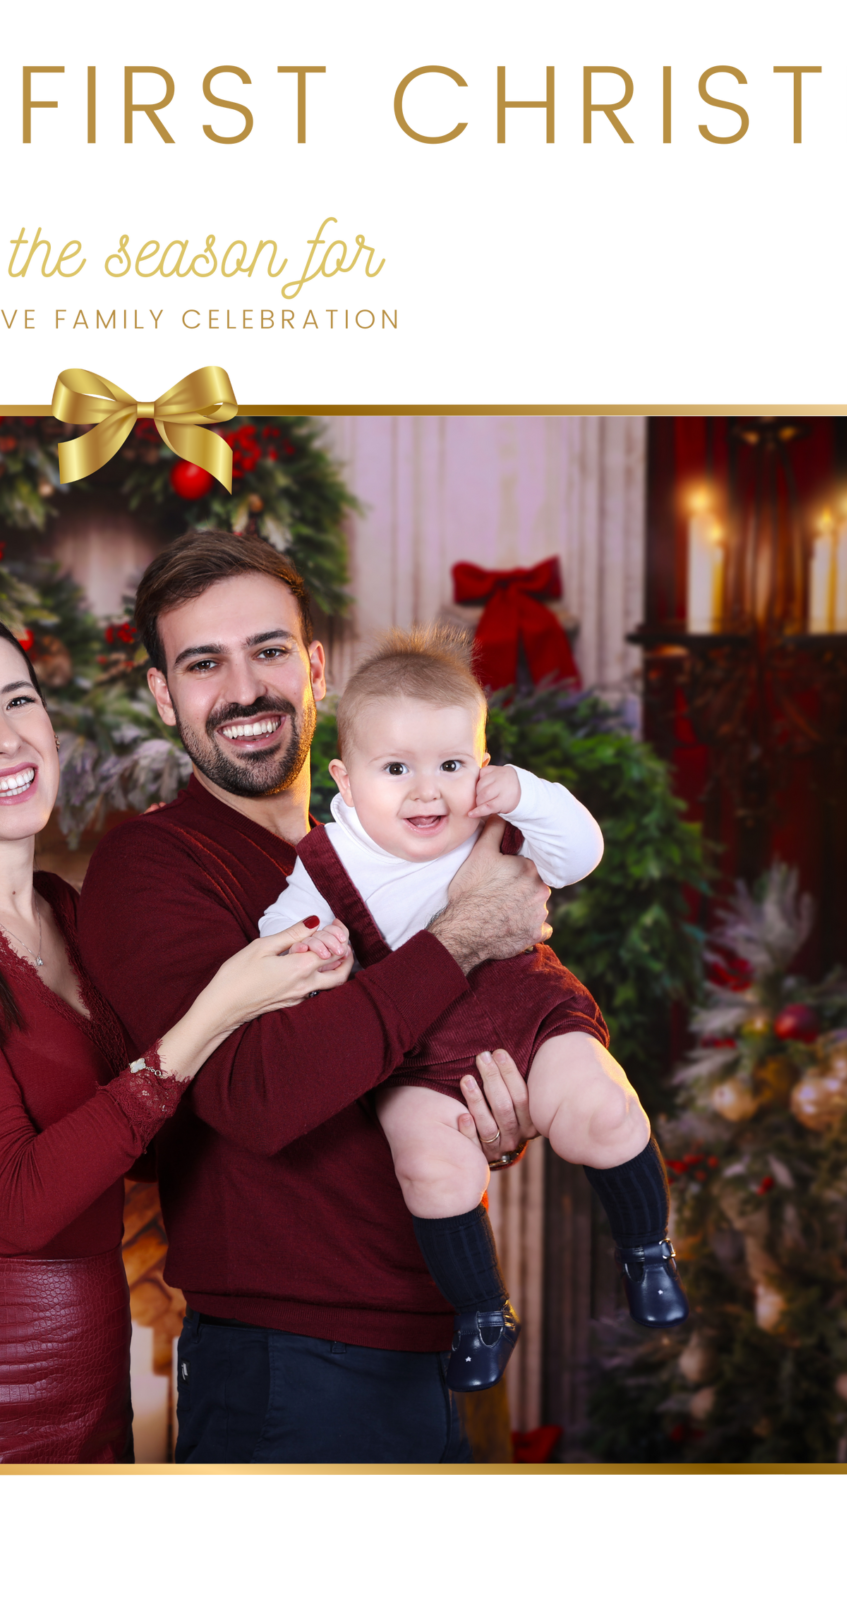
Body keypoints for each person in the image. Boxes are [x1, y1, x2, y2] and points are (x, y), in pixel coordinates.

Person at [0, 601, 354, 1464]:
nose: (5, 737)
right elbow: (23, 1201)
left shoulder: (69, 911)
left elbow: (141, 1140)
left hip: (96, 1368)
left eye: (19, 700)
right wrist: (218, 1009)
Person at [77, 530, 558, 1464]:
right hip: (289, 1369)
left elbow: (488, 1011)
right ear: (161, 694)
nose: (245, 687)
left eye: (267, 650)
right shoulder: (153, 866)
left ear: (316, 668)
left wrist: (500, 1099)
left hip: (438, 1336)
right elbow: (257, 1095)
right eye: (203, 663)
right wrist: (459, 938)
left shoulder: (393, 854)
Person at [257, 623, 687, 1395]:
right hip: (418, 1056)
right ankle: (484, 1312)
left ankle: (648, 1248)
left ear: (481, 767)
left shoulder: (491, 821)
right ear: (345, 781)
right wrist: (312, 954)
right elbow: (276, 937)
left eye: (451, 764)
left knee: (605, 1115)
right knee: (431, 1169)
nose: (427, 791)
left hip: (529, 1010)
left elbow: (582, 854)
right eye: (395, 769)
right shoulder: (328, 863)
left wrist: (530, 795)